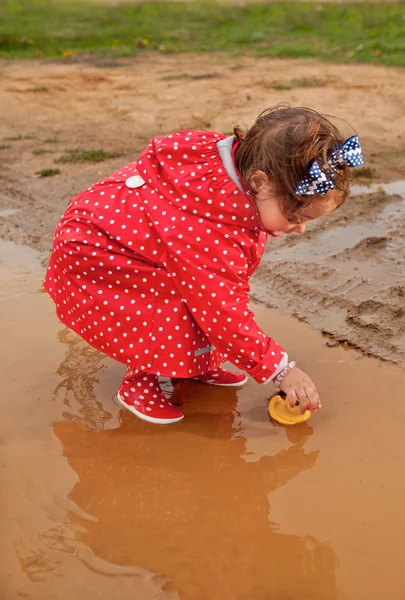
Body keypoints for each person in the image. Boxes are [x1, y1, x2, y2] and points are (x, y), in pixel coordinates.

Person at [44, 105, 363, 424]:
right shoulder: (207, 230)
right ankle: (140, 381)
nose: (301, 228)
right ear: (259, 181)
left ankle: (196, 365)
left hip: (137, 237)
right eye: (296, 216)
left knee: (197, 291)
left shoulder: (234, 180)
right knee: (172, 300)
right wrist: (279, 370)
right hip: (101, 250)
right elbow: (222, 309)